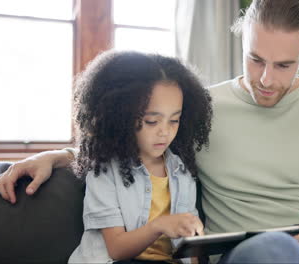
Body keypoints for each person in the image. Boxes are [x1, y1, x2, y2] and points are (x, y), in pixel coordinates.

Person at [0, 0, 299, 263]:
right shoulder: (201, 107)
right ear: (241, 41)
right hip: (253, 253)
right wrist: (57, 155)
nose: (267, 79)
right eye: (256, 59)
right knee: (274, 251)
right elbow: (136, 141)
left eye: (284, 65)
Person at [64, 50, 213, 263]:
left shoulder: (182, 170)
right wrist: (160, 225)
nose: (165, 131)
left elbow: (191, 245)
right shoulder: (104, 171)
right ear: (122, 116)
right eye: (152, 121)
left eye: (174, 120)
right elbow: (116, 249)